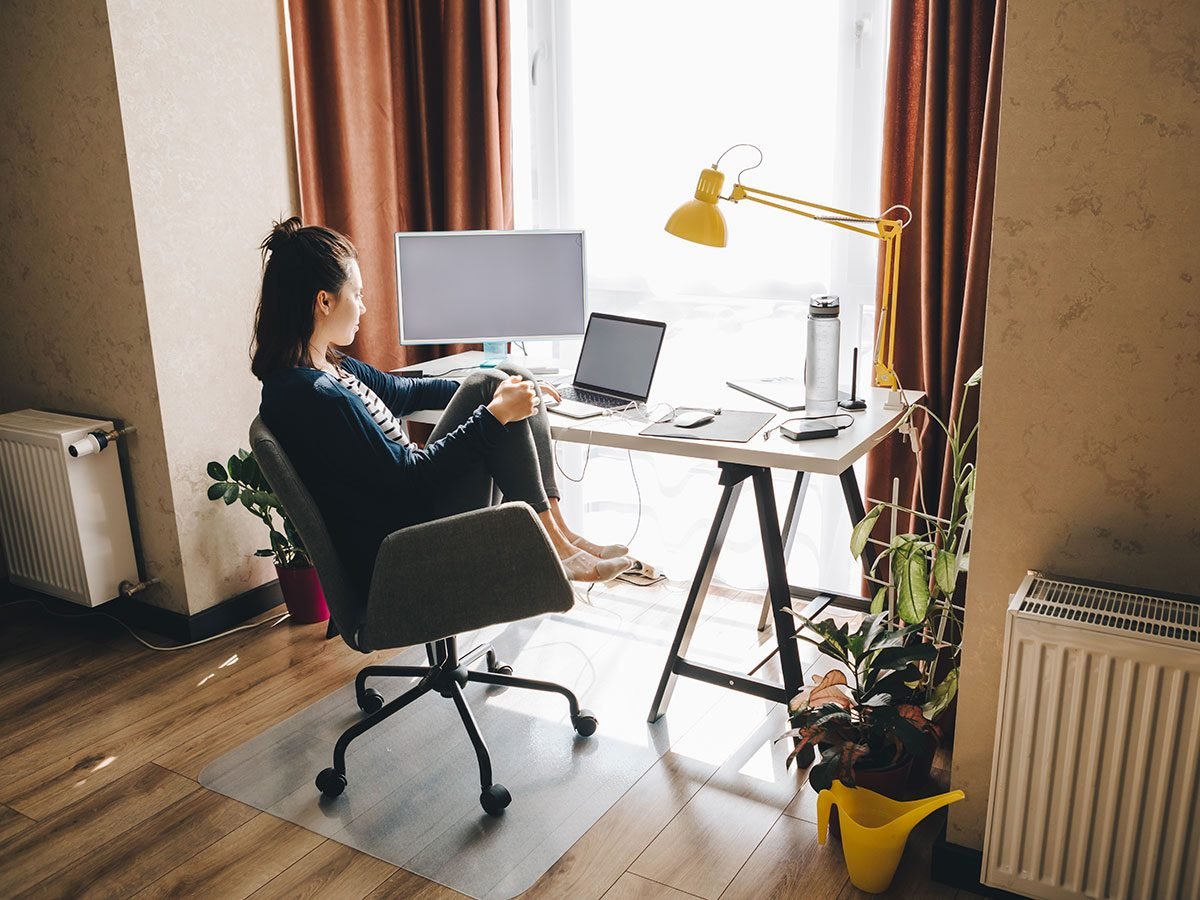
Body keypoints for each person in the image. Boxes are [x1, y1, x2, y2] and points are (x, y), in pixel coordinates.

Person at [252, 217, 633, 596]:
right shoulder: (317, 396)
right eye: (357, 295)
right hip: (408, 545)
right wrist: (494, 413)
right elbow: (411, 480)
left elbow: (405, 393)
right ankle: (554, 544)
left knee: (507, 374)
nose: (364, 308)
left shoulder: (330, 368)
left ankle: (561, 535)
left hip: (415, 513)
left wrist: (505, 389)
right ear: (324, 301)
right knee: (495, 392)